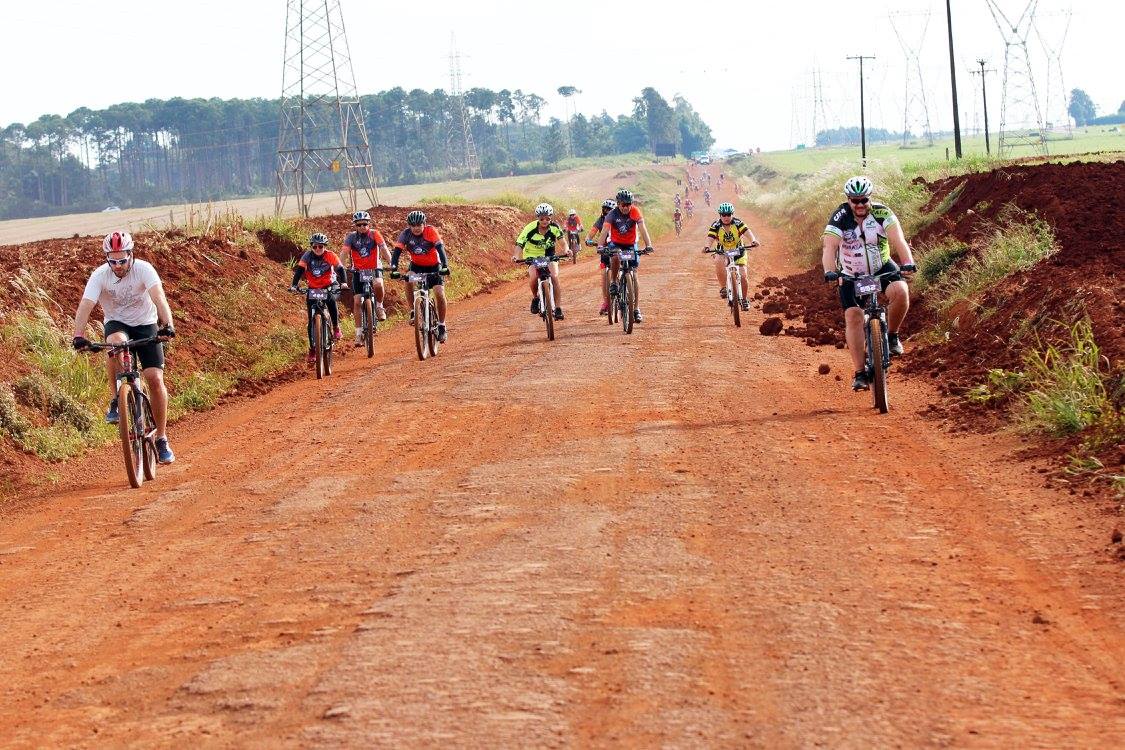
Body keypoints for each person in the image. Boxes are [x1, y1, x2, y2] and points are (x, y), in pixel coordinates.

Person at [71, 231, 177, 464]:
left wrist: (167, 325)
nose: (118, 265)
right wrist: (78, 335)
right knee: (115, 343)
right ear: (107, 258)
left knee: (155, 379)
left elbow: (159, 298)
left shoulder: (145, 269)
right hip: (117, 322)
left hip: (146, 324)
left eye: (122, 260)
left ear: (131, 254)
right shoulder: (100, 275)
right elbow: (86, 304)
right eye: (113, 260)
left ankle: (161, 438)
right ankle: (116, 399)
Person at [821, 176, 917, 391]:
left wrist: (908, 262)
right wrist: (829, 271)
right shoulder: (840, 216)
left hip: (881, 267)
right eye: (855, 201)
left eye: (864, 200)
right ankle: (859, 373)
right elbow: (829, 248)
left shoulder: (882, 212)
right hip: (851, 273)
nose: (860, 204)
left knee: (901, 291)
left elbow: (898, 240)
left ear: (869, 198)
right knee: (853, 316)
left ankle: (892, 336)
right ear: (848, 200)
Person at [390, 210, 450, 344]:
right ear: (409, 226)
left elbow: (440, 249)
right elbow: (397, 252)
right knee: (408, 279)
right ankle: (413, 310)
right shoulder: (405, 235)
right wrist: (394, 268)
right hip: (417, 266)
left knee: (439, 293)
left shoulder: (431, 231)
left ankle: (441, 325)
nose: (416, 228)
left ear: (424, 224)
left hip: (435, 266)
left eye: (419, 225)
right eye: (413, 225)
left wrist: (445, 266)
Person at [597, 188, 655, 323]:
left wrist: (648, 245)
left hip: (630, 245)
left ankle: (636, 309)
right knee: (616, 255)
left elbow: (642, 228)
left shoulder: (635, 211)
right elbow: (604, 231)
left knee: (634, 273)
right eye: (623, 204)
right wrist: (600, 246)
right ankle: (614, 283)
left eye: (629, 204)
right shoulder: (611, 214)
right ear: (618, 204)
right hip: (615, 244)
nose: (626, 207)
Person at [289, 232, 348, 364]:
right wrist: (294, 285)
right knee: (311, 320)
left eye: (320, 246)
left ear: (324, 246)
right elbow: (299, 270)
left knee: (331, 300)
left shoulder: (330, 255)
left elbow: (340, 269)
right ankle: (312, 349)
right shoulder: (307, 256)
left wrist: (343, 283)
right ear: (311, 247)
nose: (317, 249)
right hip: (313, 288)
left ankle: (336, 327)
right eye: (315, 247)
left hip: (329, 285)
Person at [341, 210, 391, 347]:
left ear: (369, 224)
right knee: (357, 301)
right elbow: (344, 253)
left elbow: (384, 249)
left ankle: (379, 306)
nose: (362, 227)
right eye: (359, 225)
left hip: (374, 267)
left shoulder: (375, 234)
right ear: (355, 226)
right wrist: (340, 267)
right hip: (358, 270)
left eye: (365, 224)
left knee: (378, 284)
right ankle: (358, 333)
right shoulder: (351, 237)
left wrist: (391, 263)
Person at [513, 203, 568, 320]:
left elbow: (562, 242)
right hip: (532, 256)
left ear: (551, 217)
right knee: (533, 277)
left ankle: (558, 308)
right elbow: (519, 244)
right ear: (537, 218)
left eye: (548, 218)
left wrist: (567, 250)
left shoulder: (555, 227)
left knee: (554, 276)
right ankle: (535, 297)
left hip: (549, 255)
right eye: (542, 218)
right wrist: (516, 256)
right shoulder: (529, 228)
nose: (545, 221)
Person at [702, 202, 759, 311]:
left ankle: (744, 299)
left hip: (739, 251)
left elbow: (747, 231)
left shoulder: (738, 223)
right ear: (720, 215)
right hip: (723, 252)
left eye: (728, 214)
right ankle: (723, 287)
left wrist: (753, 240)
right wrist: (707, 246)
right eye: (724, 215)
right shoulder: (716, 225)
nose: (726, 217)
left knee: (743, 275)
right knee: (718, 260)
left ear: (732, 214)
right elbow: (710, 237)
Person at [585, 199, 616, 315]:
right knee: (604, 276)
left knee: (620, 270)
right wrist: (588, 239)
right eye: (605, 209)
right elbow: (592, 231)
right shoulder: (601, 220)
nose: (607, 211)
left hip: (617, 248)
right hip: (604, 250)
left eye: (610, 209)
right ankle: (606, 302)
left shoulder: (618, 219)